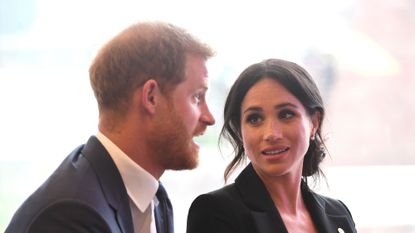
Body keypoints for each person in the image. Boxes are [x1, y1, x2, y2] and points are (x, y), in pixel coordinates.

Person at [6, 21, 215, 233]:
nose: (209, 117)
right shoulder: (70, 215)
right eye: (197, 97)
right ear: (151, 97)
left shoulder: (155, 197)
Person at [187, 59, 357, 233]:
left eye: (286, 114)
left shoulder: (338, 214)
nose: (271, 134)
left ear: (314, 122)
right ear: (240, 131)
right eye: (254, 119)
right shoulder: (215, 213)